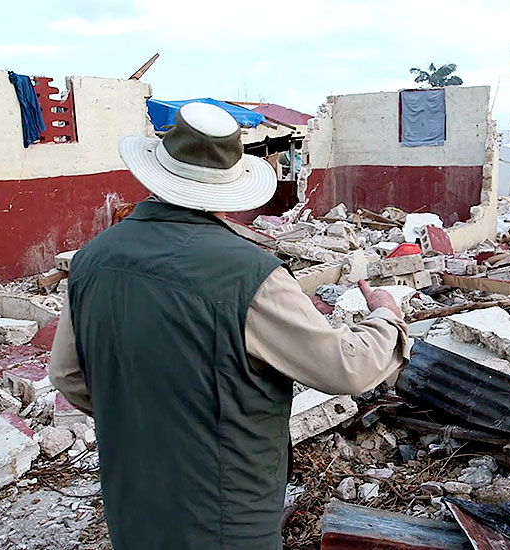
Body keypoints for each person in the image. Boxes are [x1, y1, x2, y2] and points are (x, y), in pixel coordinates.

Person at [49, 102, 410, 550]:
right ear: (229, 190)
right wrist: (386, 317)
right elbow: (344, 368)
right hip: (225, 517)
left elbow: (67, 375)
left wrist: (140, 419)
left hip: (133, 503)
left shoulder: (90, 260)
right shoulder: (251, 276)